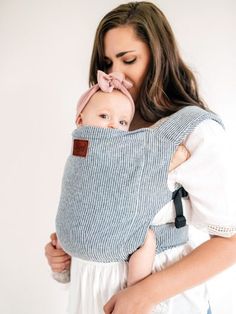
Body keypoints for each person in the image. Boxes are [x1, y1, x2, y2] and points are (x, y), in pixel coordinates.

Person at [45, 2, 236, 314]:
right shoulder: (104, 129)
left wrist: (145, 294)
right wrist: (66, 252)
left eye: (129, 60)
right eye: (107, 64)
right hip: (87, 297)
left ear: (159, 57)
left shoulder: (191, 132)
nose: (116, 75)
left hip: (161, 304)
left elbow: (230, 242)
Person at [53, 69, 190, 288]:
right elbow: (142, 172)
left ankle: (62, 266)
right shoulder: (95, 149)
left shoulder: (78, 150)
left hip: (68, 239)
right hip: (90, 245)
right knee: (146, 240)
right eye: (104, 116)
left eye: (123, 123)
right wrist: (174, 159)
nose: (113, 126)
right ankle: (135, 288)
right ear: (80, 119)